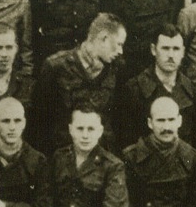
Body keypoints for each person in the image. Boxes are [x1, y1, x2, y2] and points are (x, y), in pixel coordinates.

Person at [29, 13, 125, 154]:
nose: (121, 51)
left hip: (101, 159)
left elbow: (116, 120)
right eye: (119, 44)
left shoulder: (117, 68)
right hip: (63, 156)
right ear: (104, 38)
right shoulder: (56, 66)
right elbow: (39, 120)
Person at [117, 24, 196, 147]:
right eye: (165, 48)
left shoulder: (191, 90)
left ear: (183, 52)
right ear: (153, 50)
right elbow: (125, 141)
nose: (171, 55)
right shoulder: (134, 89)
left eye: (176, 49)